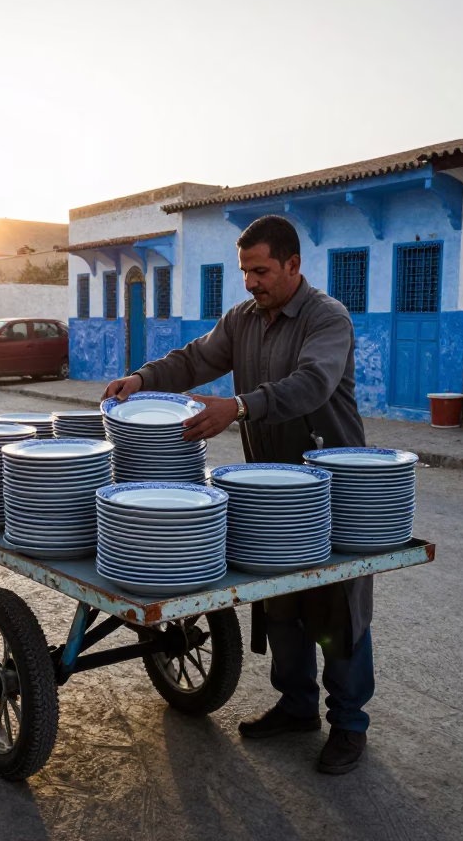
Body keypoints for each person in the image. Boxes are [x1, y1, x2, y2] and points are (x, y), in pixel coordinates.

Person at [102, 215, 372, 775]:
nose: (251, 282)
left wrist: (239, 407)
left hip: (328, 494)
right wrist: (144, 379)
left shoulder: (327, 319)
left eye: (262, 271)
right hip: (264, 487)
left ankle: (349, 723)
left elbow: (313, 384)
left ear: (294, 265)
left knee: (336, 611)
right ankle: (297, 708)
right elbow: (194, 359)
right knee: (280, 604)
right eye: (245, 271)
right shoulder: (243, 320)